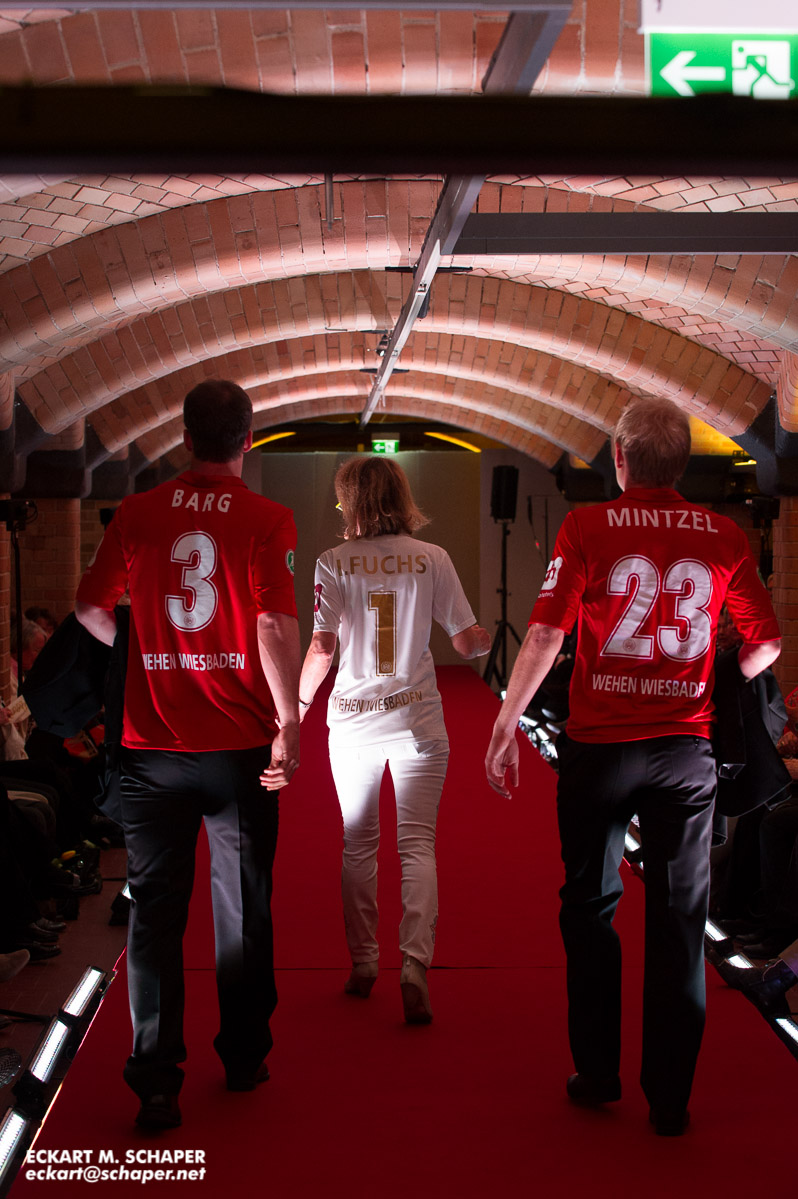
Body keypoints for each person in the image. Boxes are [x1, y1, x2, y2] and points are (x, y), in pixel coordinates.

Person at [485, 397, 781, 1136]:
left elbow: (546, 634)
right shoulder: (723, 534)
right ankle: (670, 1098)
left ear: (619, 459)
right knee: (680, 920)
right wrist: (716, 684)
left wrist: (506, 720)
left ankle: (597, 1071)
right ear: (682, 462)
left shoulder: (587, 527)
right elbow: (767, 644)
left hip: (601, 749)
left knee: (590, 905)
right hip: (684, 752)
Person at [75, 378, 301, 1129]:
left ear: (184, 437)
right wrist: (290, 719)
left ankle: (156, 1081)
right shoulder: (267, 519)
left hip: (153, 750)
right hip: (240, 750)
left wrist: (141, 651)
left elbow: (89, 607)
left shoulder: (137, 514)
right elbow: (273, 625)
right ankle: (243, 1055)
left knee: (155, 912)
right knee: (244, 908)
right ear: (248, 439)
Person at [298, 456, 490, 1023]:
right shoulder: (432, 558)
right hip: (418, 722)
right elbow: (465, 642)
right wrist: (491, 639)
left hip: (353, 722)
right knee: (417, 845)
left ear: (350, 503)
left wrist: (297, 709)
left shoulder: (333, 561)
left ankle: (363, 961)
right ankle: (414, 964)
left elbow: (322, 648)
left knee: (358, 844)